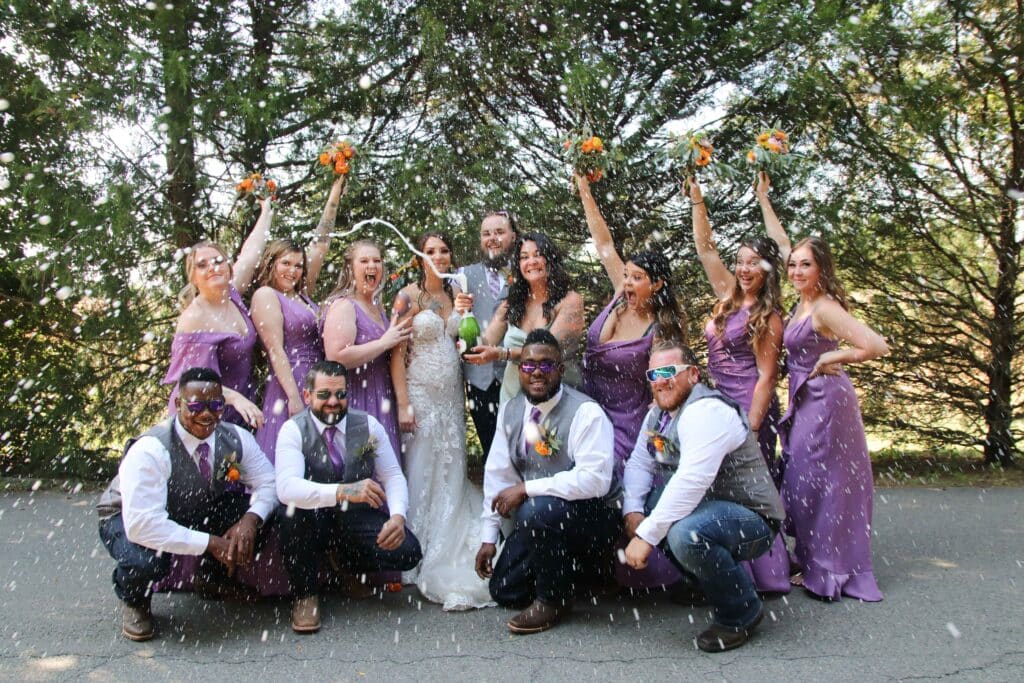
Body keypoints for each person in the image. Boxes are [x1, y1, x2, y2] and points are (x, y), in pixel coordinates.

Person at [759, 181, 889, 600]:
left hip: (827, 400)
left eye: (805, 266)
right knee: (803, 480)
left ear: (821, 270)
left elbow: (876, 345)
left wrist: (834, 359)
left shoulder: (826, 306)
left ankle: (831, 568)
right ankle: (817, 558)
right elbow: (781, 243)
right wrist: (764, 196)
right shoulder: (803, 298)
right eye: (793, 265)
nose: (795, 271)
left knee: (824, 481)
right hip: (806, 396)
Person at [623, 343, 786, 652]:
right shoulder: (658, 415)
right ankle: (707, 583)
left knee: (687, 534)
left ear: (693, 374)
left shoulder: (707, 411)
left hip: (752, 517)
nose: (660, 381)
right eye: (653, 374)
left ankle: (740, 611)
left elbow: (691, 480)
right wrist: (633, 512)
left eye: (669, 371)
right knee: (651, 505)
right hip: (709, 510)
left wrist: (646, 536)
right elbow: (639, 463)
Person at [97, 367, 278, 642]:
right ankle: (134, 599)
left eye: (216, 405)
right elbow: (143, 526)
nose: (207, 414)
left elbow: (269, 482)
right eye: (195, 406)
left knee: (266, 516)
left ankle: (211, 579)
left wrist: (251, 520)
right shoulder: (151, 449)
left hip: (194, 507)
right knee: (144, 561)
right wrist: (212, 543)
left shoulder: (236, 437)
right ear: (179, 404)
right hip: (127, 517)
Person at [574, 173, 687, 591]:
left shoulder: (661, 329)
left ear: (656, 284)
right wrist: (585, 190)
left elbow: (669, 385)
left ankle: (633, 571)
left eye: (637, 277)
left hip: (628, 422)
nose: (627, 282)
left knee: (618, 492)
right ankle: (592, 568)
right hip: (589, 410)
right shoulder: (616, 298)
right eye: (627, 275)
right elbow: (603, 242)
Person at [475, 329, 622, 634]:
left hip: (593, 518)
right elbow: (497, 475)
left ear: (560, 368)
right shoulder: (511, 411)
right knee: (505, 590)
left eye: (546, 364)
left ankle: (553, 599)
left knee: (535, 510)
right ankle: (572, 577)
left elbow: (594, 481)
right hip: (543, 521)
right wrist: (489, 537)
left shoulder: (585, 412)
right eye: (528, 365)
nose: (537, 372)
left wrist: (527, 489)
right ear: (520, 370)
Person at [687, 176, 790, 593]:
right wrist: (697, 198)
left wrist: (751, 425)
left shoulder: (770, 318)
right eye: (741, 261)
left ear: (767, 269)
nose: (745, 269)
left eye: (754, 263)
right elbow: (705, 248)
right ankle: (727, 566)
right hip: (717, 400)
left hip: (750, 405)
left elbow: (767, 375)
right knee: (718, 482)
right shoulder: (726, 297)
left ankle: (766, 573)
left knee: (751, 487)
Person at [275, 361, 422, 633]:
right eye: (324, 395)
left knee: (408, 552)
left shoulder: (369, 425)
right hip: (312, 516)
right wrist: (343, 491)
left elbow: (392, 475)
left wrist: (398, 516)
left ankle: (344, 564)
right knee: (289, 512)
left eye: (340, 394)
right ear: (307, 396)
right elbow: (286, 488)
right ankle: (305, 594)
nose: (333, 401)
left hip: (353, 517)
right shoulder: (293, 429)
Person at [390, 232, 493, 610]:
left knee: (450, 469)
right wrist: (403, 403)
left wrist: (465, 316)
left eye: (444, 250)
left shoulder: (456, 294)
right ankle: (412, 550)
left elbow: (464, 344)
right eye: (430, 250)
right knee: (420, 469)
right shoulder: (407, 296)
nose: (438, 256)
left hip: (451, 397)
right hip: (419, 394)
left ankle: (446, 540)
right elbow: (396, 353)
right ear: (419, 256)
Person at [251, 176, 344, 462]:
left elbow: (321, 243)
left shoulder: (303, 296)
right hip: (290, 382)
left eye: (298, 265)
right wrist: (293, 396)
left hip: (319, 380)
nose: (293, 271)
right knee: (292, 457)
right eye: (286, 264)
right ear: (271, 263)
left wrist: (335, 189)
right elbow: (275, 349)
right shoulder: (266, 295)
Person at [163, 197, 272, 429]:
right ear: (193, 277)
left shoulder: (231, 293)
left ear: (228, 267)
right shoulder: (194, 319)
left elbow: (252, 251)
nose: (212, 267)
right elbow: (193, 383)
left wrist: (267, 209)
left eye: (218, 261)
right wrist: (234, 398)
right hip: (200, 416)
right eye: (202, 265)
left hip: (238, 411)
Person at [466, 232, 585, 405]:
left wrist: (501, 354)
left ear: (550, 260)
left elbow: (549, 354)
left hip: (556, 394)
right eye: (524, 257)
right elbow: (482, 342)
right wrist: (464, 314)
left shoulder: (570, 300)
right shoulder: (512, 303)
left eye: (538, 255)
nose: (531, 261)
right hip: (513, 395)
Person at [321, 239, 412, 457]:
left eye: (377, 260)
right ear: (350, 269)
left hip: (382, 395)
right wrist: (384, 343)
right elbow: (336, 357)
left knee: (385, 467)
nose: (372, 265)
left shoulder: (377, 307)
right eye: (364, 261)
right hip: (357, 397)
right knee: (362, 467)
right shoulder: (344, 305)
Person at [458, 210, 518, 457]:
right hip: (478, 379)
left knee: (521, 447)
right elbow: (453, 323)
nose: (492, 238)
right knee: (491, 451)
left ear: (513, 236)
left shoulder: (527, 269)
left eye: (499, 232)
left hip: (516, 376)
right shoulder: (462, 276)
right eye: (486, 233)